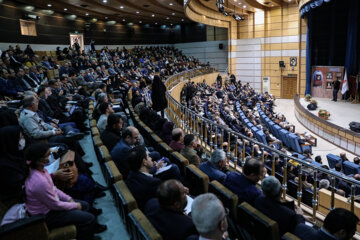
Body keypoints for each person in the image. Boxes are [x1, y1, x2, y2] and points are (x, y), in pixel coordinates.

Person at [24, 142, 106, 240]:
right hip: (47, 215)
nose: (51, 156)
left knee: (85, 205)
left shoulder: (41, 170)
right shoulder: (39, 181)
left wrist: (69, 199)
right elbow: (55, 205)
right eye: (48, 155)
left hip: (51, 206)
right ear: (40, 160)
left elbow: (54, 189)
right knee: (89, 218)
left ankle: (90, 230)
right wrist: (75, 205)